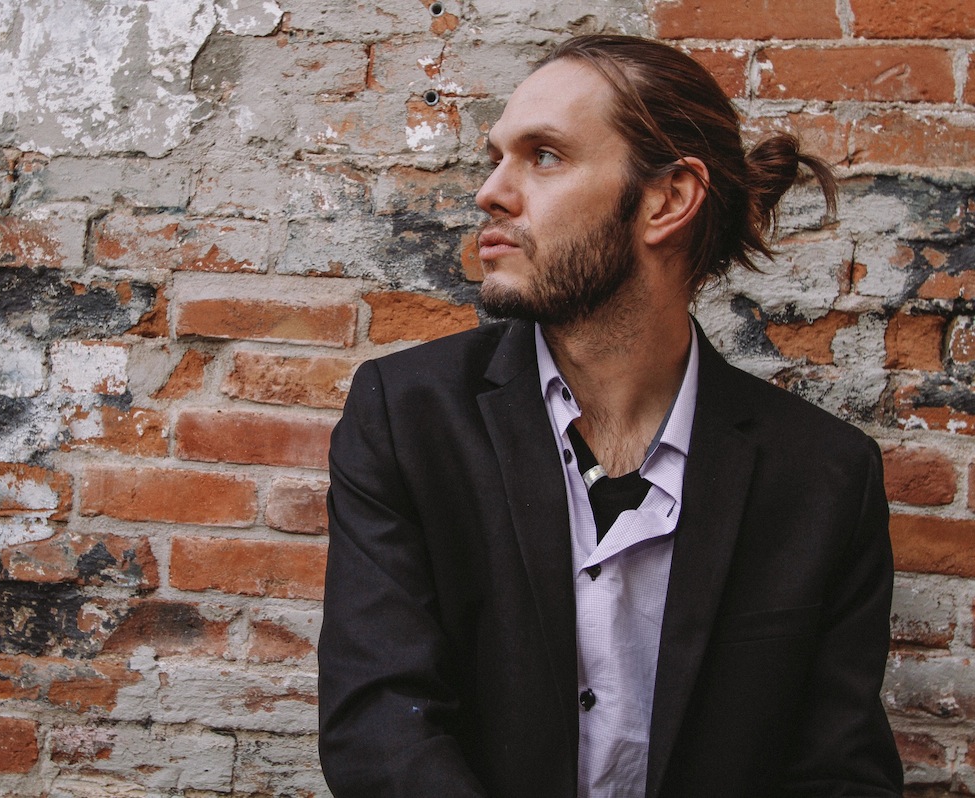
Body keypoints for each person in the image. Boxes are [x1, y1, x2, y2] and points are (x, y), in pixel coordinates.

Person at [317, 34, 903, 798]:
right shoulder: (407, 416)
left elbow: (837, 772)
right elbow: (379, 723)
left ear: (666, 199)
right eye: (496, 156)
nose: (490, 192)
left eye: (545, 156)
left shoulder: (824, 475)